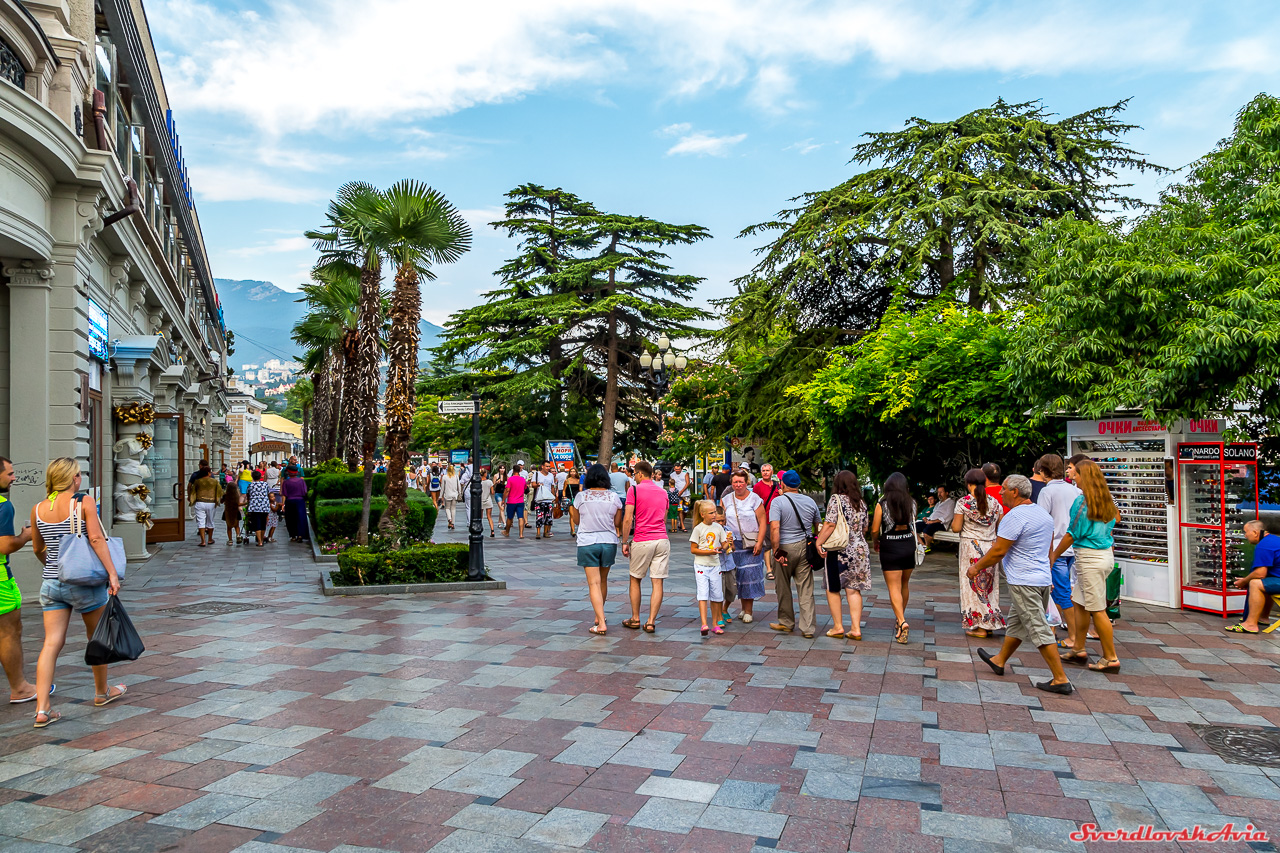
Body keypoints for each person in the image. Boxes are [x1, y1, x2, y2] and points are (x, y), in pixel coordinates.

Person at [30, 458, 126, 727]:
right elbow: (95, 538)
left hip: (52, 583)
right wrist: (112, 573)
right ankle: (101, 692)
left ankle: (42, 709)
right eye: (78, 474)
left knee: (51, 644)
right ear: (72, 478)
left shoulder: (38, 509)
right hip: (84, 583)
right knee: (97, 638)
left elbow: (38, 548)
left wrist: (53, 567)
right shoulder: (82, 503)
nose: (79, 478)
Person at [970, 475, 1074, 694]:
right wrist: (1047, 574)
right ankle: (999, 660)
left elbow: (999, 550)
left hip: (1024, 581)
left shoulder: (1015, 517)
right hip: (1041, 580)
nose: (1000, 492)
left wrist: (976, 567)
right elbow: (1048, 550)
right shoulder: (1042, 515)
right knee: (1017, 622)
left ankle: (1060, 678)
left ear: (1015, 492)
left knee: (1038, 628)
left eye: (1005, 489)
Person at [1051, 459, 1121, 671]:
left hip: (1089, 558)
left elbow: (1072, 533)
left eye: (1076, 474)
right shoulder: (1106, 500)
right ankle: (1078, 648)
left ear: (1085, 477)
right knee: (1080, 602)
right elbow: (1115, 520)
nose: (1073, 477)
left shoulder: (1082, 502)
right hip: (1104, 556)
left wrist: (1053, 555)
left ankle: (1110, 658)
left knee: (1097, 609)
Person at [815, 469, 871, 640]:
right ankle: (855, 629)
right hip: (860, 550)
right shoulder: (861, 502)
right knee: (853, 590)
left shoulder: (836, 499)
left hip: (840, 550)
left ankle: (838, 626)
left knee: (833, 588)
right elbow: (865, 528)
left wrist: (819, 542)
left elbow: (830, 524)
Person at [951, 467, 1005, 638]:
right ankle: (988, 621)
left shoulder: (963, 503)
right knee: (988, 586)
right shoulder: (996, 503)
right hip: (990, 547)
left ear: (968, 484)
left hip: (970, 548)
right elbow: (1000, 528)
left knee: (972, 586)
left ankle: (980, 625)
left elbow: (956, 527)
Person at [0, 456, 36, 704]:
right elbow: (4, 546)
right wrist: (24, 536)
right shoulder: (3, 505)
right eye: (10, 473)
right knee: (9, 632)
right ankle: (20, 688)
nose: (14, 478)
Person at [571, 464, 624, 635]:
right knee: (603, 580)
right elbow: (617, 523)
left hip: (587, 542)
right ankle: (599, 615)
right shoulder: (613, 497)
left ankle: (600, 622)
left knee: (593, 583)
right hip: (608, 542)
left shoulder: (581, 496)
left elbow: (577, 521)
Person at [871, 472, 922, 644]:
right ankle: (900, 618)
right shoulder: (912, 502)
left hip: (890, 545)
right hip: (908, 544)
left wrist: (875, 541)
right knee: (904, 584)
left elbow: (874, 529)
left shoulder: (882, 504)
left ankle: (901, 621)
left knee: (893, 586)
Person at [768, 469, 820, 639]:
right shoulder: (810, 501)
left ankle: (786, 622)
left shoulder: (778, 502)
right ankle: (808, 629)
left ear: (783, 484)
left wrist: (776, 551)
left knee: (782, 586)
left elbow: (775, 527)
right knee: (805, 588)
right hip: (805, 548)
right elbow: (818, 525)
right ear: (798, 485)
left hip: (784, 547)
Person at [1037, 453, 1082, 646]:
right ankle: (1052, 630)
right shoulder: (1075, 490)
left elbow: (1042, 522)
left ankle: (1074, 637)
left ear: (1043, 471)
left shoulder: (1047, 492)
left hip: (1056, 549)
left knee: (1062, 593)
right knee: (1066, 591)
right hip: (1074, 546)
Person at [621, 460, 669, 633]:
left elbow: (627, 519)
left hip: (642, 539)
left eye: (635, 474)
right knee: (657, 582)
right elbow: (664, 518)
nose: (634, 477)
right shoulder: (663, 492)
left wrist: (625, 541)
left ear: (640, 474)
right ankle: (651, 621)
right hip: (662, 539)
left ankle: (635, 617)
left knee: (635, 578)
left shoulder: (633, 490)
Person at [720, 470, 767, 625]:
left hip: (751, 542)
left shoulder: (755, 499)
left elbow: (762, 521)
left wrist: (760, 542)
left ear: (747, 482)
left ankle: (749, 610)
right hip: (733, 544)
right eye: (735, 482)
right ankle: (741, 607)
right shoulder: (726, 499)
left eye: (741, 482)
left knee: (749, 576)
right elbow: (721, 520)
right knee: (736, 576)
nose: (738, 485)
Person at [1228, 521, 1280, 633]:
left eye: (1246, 532)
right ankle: (1263, 617)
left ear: (1255, 532)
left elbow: (1260, 573)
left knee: (1255, 583)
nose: (1245, 535)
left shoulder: (1264, 545)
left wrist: (1244, 581)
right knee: (1265, 582)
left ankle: (1250, 624)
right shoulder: (1273, 539)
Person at [690, 499, 731, 635]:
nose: (714, 515)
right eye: (711, 513)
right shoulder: (698, 529)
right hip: (701, 565)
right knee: (703, 594)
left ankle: (715, 623)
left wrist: (726, 544)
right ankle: (704, 623)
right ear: (702, 514)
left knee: (717, 595)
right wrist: (709, 551)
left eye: (714, 512)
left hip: (715, 565)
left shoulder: (718, 528)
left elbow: (724, 545)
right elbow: (693, 549)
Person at [753, 464, 780, 580]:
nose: (765, 473)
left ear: (772, 472)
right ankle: (769, 569)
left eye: (767, 470)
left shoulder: (777, 485)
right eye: (763, 471)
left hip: (778, 519)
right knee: (767, 545)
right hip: (765, 519)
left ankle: (777, 567)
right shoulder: (758, 487)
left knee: (778, 543)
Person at [188, 463, 222, 547]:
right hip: (211, 503)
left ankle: (203, 541)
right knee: (210, 521)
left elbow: (193, 492)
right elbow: (220, 492)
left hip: (200, 502)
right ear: (208, 473)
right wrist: (218, 500)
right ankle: (210, 539)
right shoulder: (214, 481)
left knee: (201, 521)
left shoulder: (197, 481)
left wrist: (191, 499)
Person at [917, 486, 956, 551]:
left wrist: (933, 521)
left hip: (941, 524)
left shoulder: (951, 502)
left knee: (927, 530)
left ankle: (927, 546)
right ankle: (923, 545)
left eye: (941, 492)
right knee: (914, 527)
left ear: (946, 493)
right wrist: (927, 519)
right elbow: (933, 515)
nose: (939, 494)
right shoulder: (938, 503)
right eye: (938, 492)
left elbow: (949, 516)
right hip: (931, 522)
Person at [530, 461, 558, 539]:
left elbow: (552, 487)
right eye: (547, 466)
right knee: (539, 515)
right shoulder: (537, 474)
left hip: (548, 498)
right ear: (542, 466)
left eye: (549, 466)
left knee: (548, 516)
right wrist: (538, 484)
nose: (548, 468)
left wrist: (554, 497)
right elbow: (533, 485)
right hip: (539, 498)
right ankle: (538, 532)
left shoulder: (551, 476)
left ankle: (546, 532)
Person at [281, 464, 309, 542]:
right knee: (300, 517)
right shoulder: (301, 481)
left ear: (288, 473)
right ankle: (300, 535)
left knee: (290, 518)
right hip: (300, 501)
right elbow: (305, 491)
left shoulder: (286, 482)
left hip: (290, 501)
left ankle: (293, 535)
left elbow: (284, 493)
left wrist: (283, 504)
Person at [245, 470, 272, 547]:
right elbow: (268, 493)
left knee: (257, 523)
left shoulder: (251, 485)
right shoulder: (265, 484)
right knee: (263, 523)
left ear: (252, 477)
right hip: (264, 506)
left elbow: (248, 495)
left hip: (254, 507)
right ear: (260, 477)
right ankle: (262, 540)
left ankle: (259, 541)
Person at [503, 464, 528, 538]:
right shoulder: (522, 479)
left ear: (513, 470)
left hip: (511, 501)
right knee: (520, 517)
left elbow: (507, 490)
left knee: (510, 517)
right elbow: (525, 488)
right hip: (520, 501)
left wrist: (503, 499)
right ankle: (521, 534)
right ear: (519, 471)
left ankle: (507, 532)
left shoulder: (510, 479)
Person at [222, 471, 245, 545]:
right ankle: (238, 536)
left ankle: (230, 540)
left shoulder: (226, 495)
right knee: (236, 525)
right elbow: (238, 504)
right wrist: (246, 503)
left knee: (229, 526)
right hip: (236, 511)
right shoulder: (236, 495)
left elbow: (221, 501)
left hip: (227, 511)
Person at [669, 463, 691, 533]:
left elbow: (688, 483)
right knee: (680, 510)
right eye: (676, 469)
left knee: (686, 510)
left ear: (680, 468)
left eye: (678, 469)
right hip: (677, 495)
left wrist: (682, 491)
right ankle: (682, 525)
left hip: (685, 494)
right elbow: (671, 484)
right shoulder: (672, 475)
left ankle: (681, 522)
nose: (677, 471)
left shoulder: (685, 473)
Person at [440, 463, 461, 530]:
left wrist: (440, 496)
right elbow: (459, 486)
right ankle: (453, 523)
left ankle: (449, 519)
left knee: (447, 508)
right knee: (453, 509)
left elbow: (442, 487)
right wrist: (460, 493)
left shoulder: (444, 477)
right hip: (455, 495)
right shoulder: (456, 477)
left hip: (447, 495)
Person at [561, 466, 580, 537]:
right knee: (572, 515)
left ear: (576, 472)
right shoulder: (567, 480)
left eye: (574, 471)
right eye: (571, 471)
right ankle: (573, 530)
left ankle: (574, 529)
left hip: (577, 498)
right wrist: (564, 497)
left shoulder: (578, 480)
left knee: (577, 514)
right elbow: (564, 490)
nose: (572, 473)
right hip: (569, 498)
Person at [479, 468, 496, 536]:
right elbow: (492, 492)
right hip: (488, 500)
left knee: (480, 516)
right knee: (489, 516)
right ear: (485, 474)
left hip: (481, 500)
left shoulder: (479, 482)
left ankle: (479, 528)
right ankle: (492, 530)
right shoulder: (489, 482)